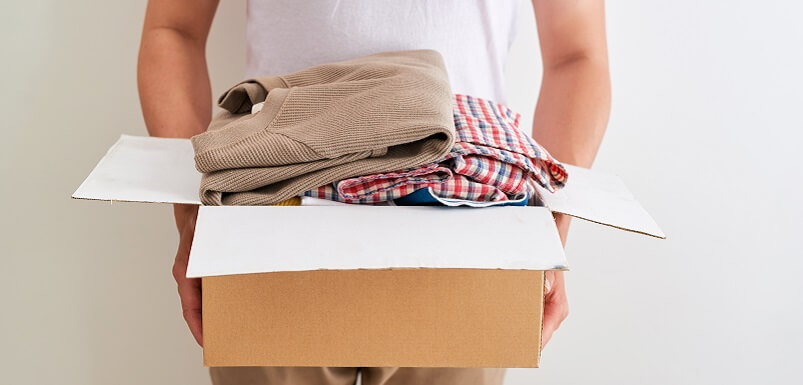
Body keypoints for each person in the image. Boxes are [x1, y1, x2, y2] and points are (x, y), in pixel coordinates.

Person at [137, 0, 610, 384]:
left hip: (470, 230)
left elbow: (577, 54)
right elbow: (174, 29)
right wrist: (193, 215)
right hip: (269, 221)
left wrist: (550, 227)